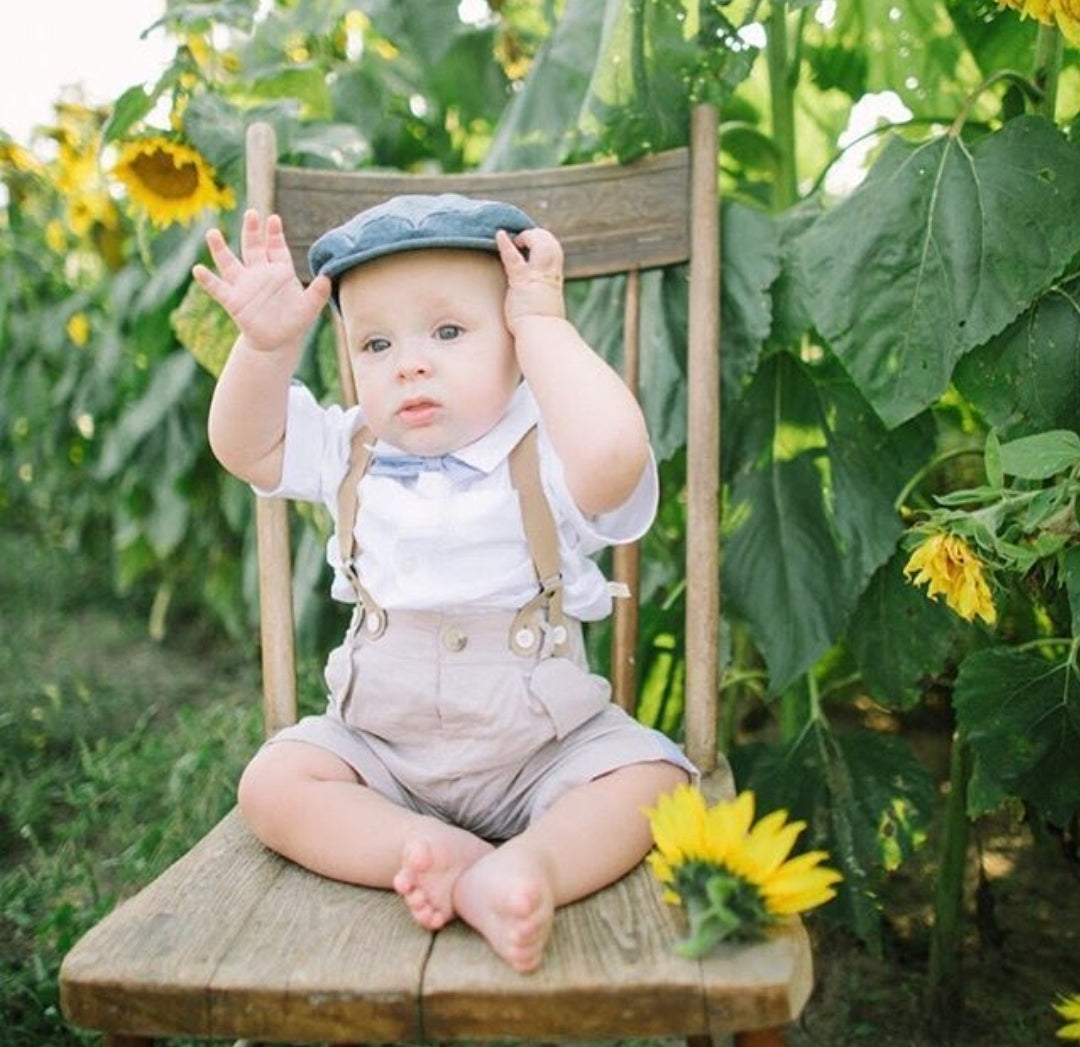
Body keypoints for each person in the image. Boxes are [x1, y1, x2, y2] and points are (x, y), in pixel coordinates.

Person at [192, 193, 696, 974]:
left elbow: (616, 458)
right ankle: (436, 852)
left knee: (652, 781)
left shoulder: (549, 445)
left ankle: (536, 864)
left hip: (545, 752)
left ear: (513, 343)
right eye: (377, 343)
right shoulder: (347, 446)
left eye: (450, 332)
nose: (410, 363)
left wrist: (545, 328)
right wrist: (265, 347)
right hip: (384, 753)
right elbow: (244, 445)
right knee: (274, 782)